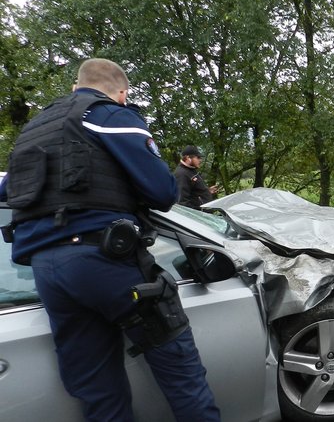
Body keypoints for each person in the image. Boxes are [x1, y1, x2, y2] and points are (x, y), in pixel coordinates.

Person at [0, 59, 220, 422]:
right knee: (182, 375)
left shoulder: (34, 130)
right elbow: (163, 192)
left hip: (46, 272)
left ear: (75, 86)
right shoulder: (109, 116)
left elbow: (10, 191)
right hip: (103, 261)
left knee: (99, 392)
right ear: (122, 93)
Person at [174, 145, 218, 209]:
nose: (200, 160)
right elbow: (182, 203)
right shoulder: (181, 174)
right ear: (188, 158)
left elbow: (193, 193)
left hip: (205, 213)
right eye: (198, 157)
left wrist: (207, 191)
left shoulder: (191, 170)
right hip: (198, 215)